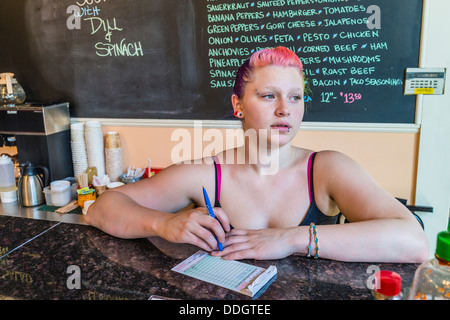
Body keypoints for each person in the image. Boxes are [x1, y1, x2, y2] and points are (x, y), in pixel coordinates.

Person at [86, 46, 429, 263]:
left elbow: (414, 241)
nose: (285, 110)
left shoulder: (327, 168)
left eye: (296, 97)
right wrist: (163, 223)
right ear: (238, 105)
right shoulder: (206, 172)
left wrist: (290, 239)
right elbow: (101, 208)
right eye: (269, 96)